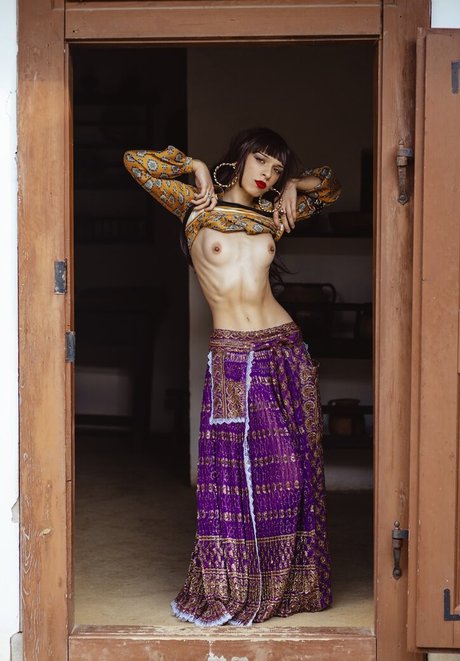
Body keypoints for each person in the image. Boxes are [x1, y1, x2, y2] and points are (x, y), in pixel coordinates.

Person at [123, 127, 341, 627]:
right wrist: (194, 166)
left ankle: (289, 586)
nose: (268, 174)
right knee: (230, 478)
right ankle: (236, 585)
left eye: (277, 168)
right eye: (261, 160)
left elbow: (331, 186)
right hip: (232, 356)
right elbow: (135, 161)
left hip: (285, 350)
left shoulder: (275, 214)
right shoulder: (194, 206)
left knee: (294, 473)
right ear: (239, 157)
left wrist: (295, 186)